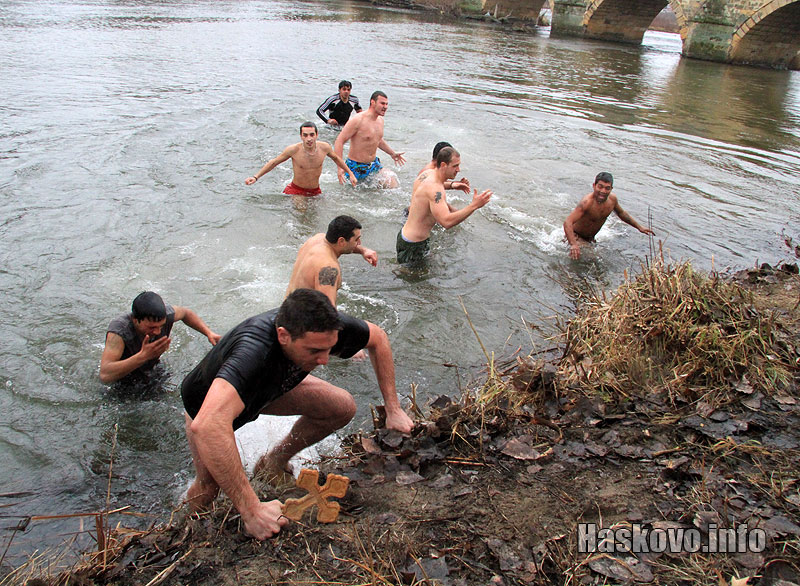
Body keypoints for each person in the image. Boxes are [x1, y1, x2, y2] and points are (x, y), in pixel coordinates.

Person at [180, 289, 414, 540]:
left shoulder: (324, 328)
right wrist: (252, 510)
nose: (324, 360)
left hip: (268, 388)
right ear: (283, 335)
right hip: (207, 407)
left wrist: (394, 409)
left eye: (329, 348)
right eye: (314, 351)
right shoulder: (253, 351)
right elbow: (207, 426)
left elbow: (378, 339)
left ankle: (273, 463)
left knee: (341, 407)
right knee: (210, 487)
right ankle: (185, 533)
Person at [100, 291, 221, 384]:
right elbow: (105, 374)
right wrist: (143, 356)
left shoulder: (165, 315)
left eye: (161, 326)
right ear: (136, 320)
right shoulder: (119, 331)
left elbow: (185, 313)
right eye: (151, 327)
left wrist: (209, 333)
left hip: (152, 370)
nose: (158, 332)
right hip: (123, 381)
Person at [397, 147, 492, 264]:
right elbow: (446, 222)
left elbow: (432, 185)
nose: (458, 170)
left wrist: (453, 185)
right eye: (455, 166)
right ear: (443, 165)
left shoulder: (427, 174)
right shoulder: (435, 190)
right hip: (414, 244)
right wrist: (474, 206)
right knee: (410, 278)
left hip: (405, 236)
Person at [285, 215, 378, 306]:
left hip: (286, 310)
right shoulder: (328, 268)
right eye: (356, 240)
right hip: (301, 319)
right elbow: (327, 313)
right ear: (341, 241)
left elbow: (344, 245)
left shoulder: (317, 239)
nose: (359, 243)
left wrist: (363, 250)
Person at [245, 122, 356, 196]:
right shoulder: (293, 150)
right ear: (301, 136)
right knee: (302, 218)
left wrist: (350, 173)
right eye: (305, 135)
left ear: (316, 135)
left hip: (315, 191)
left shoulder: (324, 147)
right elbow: (274, 162)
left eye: (312, 135)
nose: (309, 139)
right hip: (296, 190)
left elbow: (337, 158)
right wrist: (256, 177)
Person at [563, 172, 655, 260]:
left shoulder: (612, 200)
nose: (603, 191)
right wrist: (573, 244)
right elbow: (567, 222)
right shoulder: (587, 203)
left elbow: (621, 213)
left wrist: (639, 227)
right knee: (594, 261)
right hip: (576, 236)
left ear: (611, 189)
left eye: (607, 188)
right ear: (594, 186)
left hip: (590, 239)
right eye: (600, 187)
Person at [334, 91, 405, 188]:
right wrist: (340, 168)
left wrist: (392, 153)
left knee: (392, 181)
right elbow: (339, 141)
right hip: (355, 167)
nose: (385, 107)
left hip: (373, 165)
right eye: (382, 103)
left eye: (386, 104)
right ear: (373, 102)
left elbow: (377, 140)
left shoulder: (380, 121)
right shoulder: (358, 120)